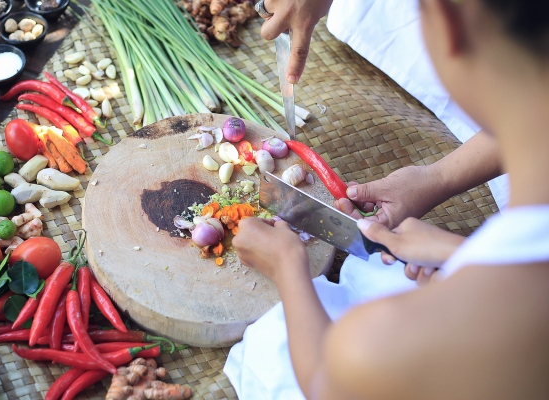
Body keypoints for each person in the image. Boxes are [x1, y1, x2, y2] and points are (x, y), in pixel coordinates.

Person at [234, 0, 549, 399]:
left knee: (270, 346)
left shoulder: (381, 343)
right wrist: (452, 234)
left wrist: (289, 270)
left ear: (448, 23)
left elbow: (325, 385)